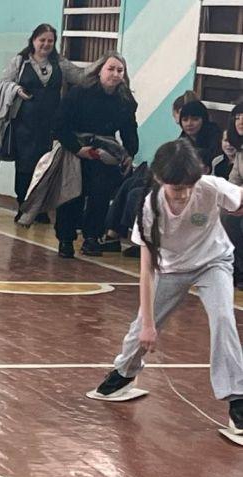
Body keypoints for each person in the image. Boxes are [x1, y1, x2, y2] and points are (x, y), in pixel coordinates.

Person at [93, 139, 243, 430]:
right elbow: (146, 269)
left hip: (213, 263)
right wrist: (150, 325)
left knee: (224, 319)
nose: (184, 194)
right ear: (161, 180)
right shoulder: (149, 208)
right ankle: (124, 373)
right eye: (177, 188)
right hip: (169, 269)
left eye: (189, 186)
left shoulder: (211, 186)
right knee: (140, 328)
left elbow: (238, 197)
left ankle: (237, 398)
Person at [0, 23, 85, 220]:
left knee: (43, 167)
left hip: (48, 126)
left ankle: (39, 208)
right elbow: (4, 83)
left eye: (50, 41)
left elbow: (81, 77)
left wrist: (104, 71)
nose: (46, 44)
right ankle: (23, 206)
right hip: (22, 124)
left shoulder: (60, 63)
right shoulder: (20, 62)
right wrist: (16, 90)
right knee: (24, 166)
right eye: (42, 40)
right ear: (33, 40)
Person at [52, 51, 138, 258]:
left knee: (100, 195)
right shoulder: (79, 93)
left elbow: (129, 130)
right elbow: (60, 125)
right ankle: (66, 239)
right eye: (111, 69)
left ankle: (92, 237)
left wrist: (129, 154)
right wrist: (77, 149)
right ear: (99, 71)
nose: (115, 74)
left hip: (104, 151)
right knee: (72, 195)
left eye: (120, 70)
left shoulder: (126, 100)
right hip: (76, 148)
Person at [221, 103, 243, 286]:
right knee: (222, 212)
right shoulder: (241, 152)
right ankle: (231, 267)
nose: (240, 121)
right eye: (237, 117)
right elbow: (233, 182)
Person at [177, 100, 223, 174]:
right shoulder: (182, 139)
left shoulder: (216, 136)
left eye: (195, 119)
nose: (189, 124)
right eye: (185, 120)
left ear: (204, 119)